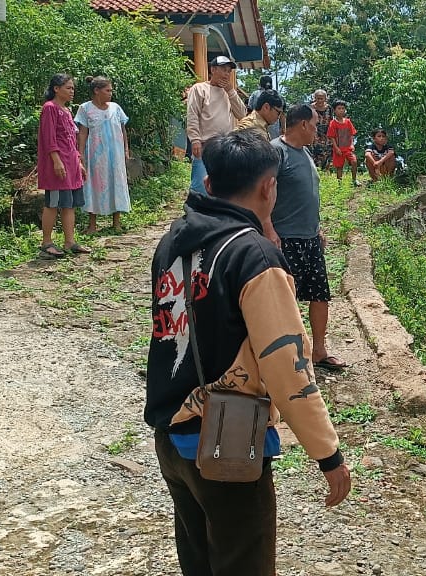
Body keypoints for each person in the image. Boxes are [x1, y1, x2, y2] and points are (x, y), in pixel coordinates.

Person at [146, 131, 350, 575]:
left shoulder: (172, 242)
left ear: (211, 184)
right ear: (268, 187)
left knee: (198, 561)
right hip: (227, 443)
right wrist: (328, 454)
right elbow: (288, 368)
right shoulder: (254, 257)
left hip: (171, 435)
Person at [270, 104, 348, 371]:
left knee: (319, 295)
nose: (319, 131)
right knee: (285, 300)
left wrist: (318, 228)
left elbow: (309, 194)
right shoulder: (275, 152)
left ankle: (319, 351)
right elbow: (263, 194)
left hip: (310, 237)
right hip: (286, 239)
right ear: (303, 124)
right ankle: (287, 356)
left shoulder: (305, 153)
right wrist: (268, 229)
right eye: (315, 125)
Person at [37, 73, 89, 259]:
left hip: (71, 164)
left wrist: (78, 162)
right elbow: (49, 138)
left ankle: (70, 241)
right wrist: (56, 160)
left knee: (70, 204)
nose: (72, 91)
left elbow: (71, 140)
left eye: (73, 88)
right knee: (53, 203)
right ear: (56, 89)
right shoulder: (49, 108)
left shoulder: (67, 111)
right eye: (68, 87)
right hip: (57, 165)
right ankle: (46, 242)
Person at [75, 75, 130, 234]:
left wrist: (126, 148)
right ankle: (92, 224)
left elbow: (122, 130)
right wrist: (81, 154)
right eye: (107, 90)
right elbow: (83, 133)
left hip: (115, 154)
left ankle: (116, 222)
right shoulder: (85, 108)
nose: (110, 93)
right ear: (96, 91)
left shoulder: (115, 108)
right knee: (94, 185)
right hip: (95, 155)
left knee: (116, 183)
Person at [185, 56, 247, 196]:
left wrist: (231, 91)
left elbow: (242, 114)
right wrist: (195, 139)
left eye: (229, 71)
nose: (226, 74)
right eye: (224, 70)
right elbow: (193, 114)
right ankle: (196, 215)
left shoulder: (229, 93)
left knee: (223, 187)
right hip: (205, 145)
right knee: (200, 187)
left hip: (225, 147)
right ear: (213, 70)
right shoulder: (200, 89)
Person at [326, 100, 358, 186]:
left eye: (343, 108)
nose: (341, 110)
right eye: (339, 108)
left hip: (348, 148)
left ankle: (354, 180)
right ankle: (340, 184)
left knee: (354, 161)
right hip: (338, 149)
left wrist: (352, 144)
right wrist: (336, 148)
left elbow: (352, 134)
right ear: (335, 110)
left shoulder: (348, 121)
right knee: (339, 167)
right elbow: (331, 137)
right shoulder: (333, 123)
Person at [309, 90, 332, 171]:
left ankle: (325, 174)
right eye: (318, 98)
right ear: (314, 98)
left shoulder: (329, 108)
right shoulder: (311, 108)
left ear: (325, 99)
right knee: (314, 155)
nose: (319, 100)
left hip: (327, 135)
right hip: (314, 134)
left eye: (321, 98)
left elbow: (331, 121)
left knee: (327, 155)